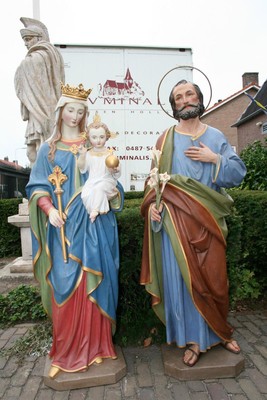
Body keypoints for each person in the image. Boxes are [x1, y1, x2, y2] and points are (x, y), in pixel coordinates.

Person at [140, 79, 246, 367]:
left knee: (215, 282)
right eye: (179, 97)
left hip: (209, 223)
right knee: (185, 285)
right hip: (176, 228)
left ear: (199, 99)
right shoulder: (165, 141)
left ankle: (221, 332)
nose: (185, 100)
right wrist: (153, 208)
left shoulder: (215, 137)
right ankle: (195, 340)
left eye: (190, 94)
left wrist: (214, 159)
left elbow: (237, 173)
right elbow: (154, 185)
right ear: (174, 105)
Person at [26, 83, 124, 379]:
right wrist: (49, 209)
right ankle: (66, 350)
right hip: (64, 228)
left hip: (95, 226)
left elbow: (112, 180)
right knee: (65, 283)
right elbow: (37, 186)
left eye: (81, 111)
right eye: (70, 109)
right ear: (60, 111)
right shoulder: (48, 149)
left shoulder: (94, 143)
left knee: (98, 281)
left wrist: (110, 192)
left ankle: (98, 348)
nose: (75, 115)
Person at [14, 17, 65, 165]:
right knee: (31, 150)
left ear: (39, 38)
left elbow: (26, 79)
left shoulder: (40, 56)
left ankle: (47, 178)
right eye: (25, 40)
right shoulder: (45, 55)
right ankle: (38, 179)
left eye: (29, 39)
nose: (26, 43)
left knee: (43, 149)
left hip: (43, 110)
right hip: (34, 110)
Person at [78, 112, 121, 223]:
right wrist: (82, 155)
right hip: (92, 181)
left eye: (101, 137)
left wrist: (115, 170)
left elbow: (117, 172)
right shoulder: (88, 153)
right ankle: (94, 210)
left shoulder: (110, 154)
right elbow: (82, 169)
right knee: (86, 193)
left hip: (107, 180)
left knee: (99, 188)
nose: (98, 140)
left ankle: (95, 210)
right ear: (89, 138)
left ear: (107, 137)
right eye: (94, 137)